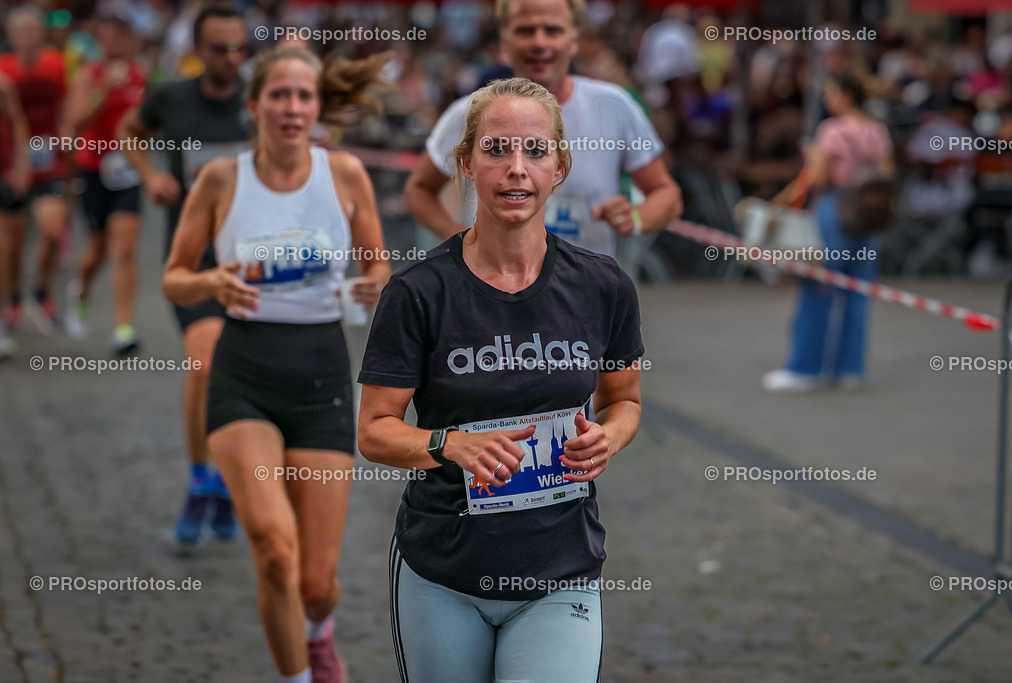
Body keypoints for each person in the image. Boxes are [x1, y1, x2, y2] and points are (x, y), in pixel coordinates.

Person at [359, 77, 644, 683]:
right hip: (443, 571)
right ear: (466, 164)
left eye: (535, 151)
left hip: (560, 567)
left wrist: (610, 438)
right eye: (496, 150)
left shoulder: (603, 285)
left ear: (560, 166)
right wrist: (447, 445)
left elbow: (624, 401)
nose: (517, 169)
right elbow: (374, 431)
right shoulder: (418, 292)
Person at [163, 46, 391, 683]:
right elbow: (174, 279)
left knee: (316, 583)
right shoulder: (220, 180)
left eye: (304, 96)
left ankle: (318, 630)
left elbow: (378, 264)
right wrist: (212, 278)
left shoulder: (344, 174)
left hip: (321, 380)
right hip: (244, 378)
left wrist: (374, 283)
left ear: (318, 107)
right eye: (280, 95)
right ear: (254, 104)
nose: (293, 108)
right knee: (272, 550)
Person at [403, 0, 681, 258]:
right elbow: (419, 189)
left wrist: (633, 218)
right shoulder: (470, 112)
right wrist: (462, 244)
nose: (539, 42)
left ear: (574, 41)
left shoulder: (613, 105)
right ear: (505, 42)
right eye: (525, 30)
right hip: (490, 298)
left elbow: (667, 194)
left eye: (552, 30)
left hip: (582, 297)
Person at [118, 4, 249, 547]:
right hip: (192, 259)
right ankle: (203, 478)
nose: (230, 58)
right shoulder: (172, 98)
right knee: (204, 363)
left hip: (254, 263)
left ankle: (228, 480)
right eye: (219, 47)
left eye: (239, 47)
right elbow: (129, 130)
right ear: (197, 51)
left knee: (240, 378)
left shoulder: (259, 100)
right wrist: (149, 175)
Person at [762, 73, 894, 392]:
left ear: (846, 95)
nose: (827, 99)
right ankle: (850, 368)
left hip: (835, 210)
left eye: (832, 92)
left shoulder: (832, 130)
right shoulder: (877, 130)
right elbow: (888, 173)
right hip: (868, 215)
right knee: (857, 293)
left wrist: (814, 158)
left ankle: (806, 367)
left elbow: (818, 179)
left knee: (818, 287)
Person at [64, 14, 147, 354]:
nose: (112, 44)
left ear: (128, 39)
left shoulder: (140, 75)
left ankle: (123, 327)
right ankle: (80, 289)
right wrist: (103, 91)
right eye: (106, 37)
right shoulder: (89, 75)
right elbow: (75, 121)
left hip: (128, 170)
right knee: (96, 250)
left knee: (124, 247)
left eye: (118, 37)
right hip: (94, 169)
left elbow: (150, 121)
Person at [0, 7, 71, 338]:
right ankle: (13, 300)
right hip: (11, 165)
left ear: (41, 34)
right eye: (21, 32)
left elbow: (68, 103)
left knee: (54, 227)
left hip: (49, 162)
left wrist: (68, 135)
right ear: (11, 36)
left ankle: (41, 291)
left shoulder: (57, 64)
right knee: (11, 242)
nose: (28, 37)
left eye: (33, 31)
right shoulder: (4, 70)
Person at [0, 73, 31, 360]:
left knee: (6, 248)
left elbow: (19, 123)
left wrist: (22, 166)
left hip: (4, 174)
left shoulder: (4, 84)